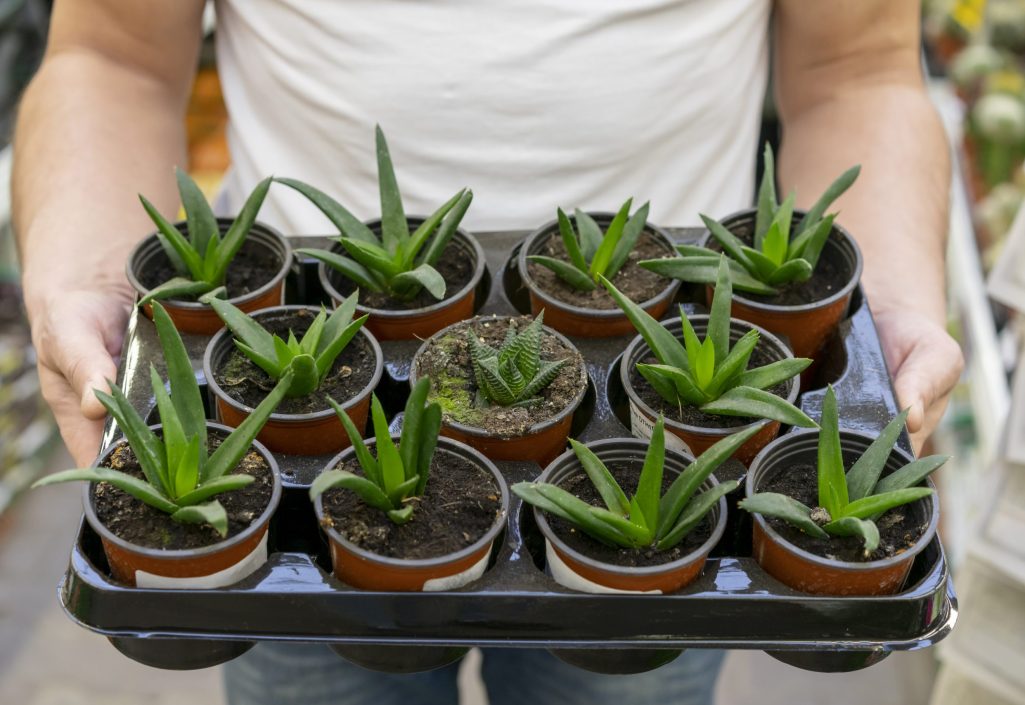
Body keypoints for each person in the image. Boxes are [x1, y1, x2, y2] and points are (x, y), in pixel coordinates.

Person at [12, 1, 964, 703]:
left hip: (672, 353)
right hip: (307, 364)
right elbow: (112, 53)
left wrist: (885, 301)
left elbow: (856, 70)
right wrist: (89, 270)